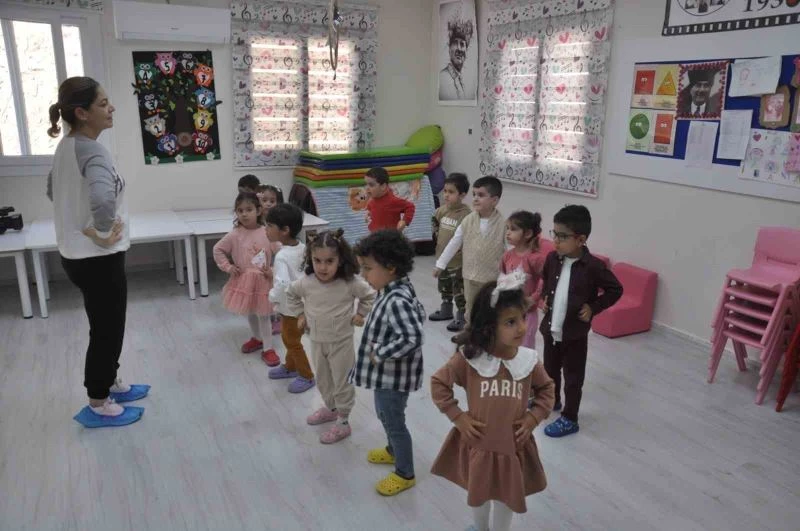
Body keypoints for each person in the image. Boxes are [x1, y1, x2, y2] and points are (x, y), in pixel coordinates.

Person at [47, 76, 148, 426]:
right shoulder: (91, 150)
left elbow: (52, 191)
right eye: (103, 104)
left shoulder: (66, 146)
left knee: (104, 324)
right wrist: (101, 233)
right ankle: (98, 401)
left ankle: (110, 380)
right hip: (97, 259)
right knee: (107, 330)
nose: (111, 108)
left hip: (76, 256)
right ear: (82, 113)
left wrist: (81, 224)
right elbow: (103, 200)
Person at [430, 276, 555, 531]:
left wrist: (533, 418)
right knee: (478, 492)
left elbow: (547, 390)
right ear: (489, 326)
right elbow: (439, 383)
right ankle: (480, 528)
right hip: (479, 444)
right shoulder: (470, 359)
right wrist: (458, 417)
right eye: (510, 322)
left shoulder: (529, 361)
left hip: (512, 446)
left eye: (522, 318)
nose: (521, 327)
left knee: (506, 497)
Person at [351, 230, 426, 497]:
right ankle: (393, 450)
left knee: (393, 420)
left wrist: (381, 353)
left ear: (391, 268)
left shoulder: (396, 299)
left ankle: (405, 473)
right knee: (385, 414)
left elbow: (413, 336)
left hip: (393, 377)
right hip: (387, 375)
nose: (363, 275)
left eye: (368, 268)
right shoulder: (392, 289)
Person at [540, 205, 623, 438]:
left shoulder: (593, 267)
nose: (556, 241)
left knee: (573, 378)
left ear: (581, 239)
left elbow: (615, 289)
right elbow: (546, 281)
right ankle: (552, 400)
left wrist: (593, 307)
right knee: (549, 371)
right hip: (551, 330)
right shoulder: (552, 259)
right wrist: (545, 299)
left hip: (574, 334)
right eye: (554, 234)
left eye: (562, 236)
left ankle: (570, 418)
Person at [286, 229, 376, 444]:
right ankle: (331, 408)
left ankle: (343, 421)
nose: (322, 267)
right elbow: (291, 294)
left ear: (340, 260)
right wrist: (300, 315)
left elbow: (369, 296)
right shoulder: (306, 282)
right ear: (310, 259)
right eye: (317, 260)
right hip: (317, 341)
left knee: (342, 381)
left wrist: (361, 314)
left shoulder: (350, 282)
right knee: (324, 379)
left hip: (341, 343)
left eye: (329, 261)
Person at [212, 192, 278, 366]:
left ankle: (268, 348)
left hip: (263, 280)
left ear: (258, 211)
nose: (244, 214)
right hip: (244, 280)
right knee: (250, 311)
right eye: (240, 210)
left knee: (264, 315)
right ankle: (257, 338)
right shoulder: (235, 234)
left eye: (249, 209)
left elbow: (281, 252)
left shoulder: (267, 232)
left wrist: (273, 270)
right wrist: (228, 267)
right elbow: (218, 249)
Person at [434, 176, 505, 323]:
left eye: (481, 195)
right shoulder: (468, 220)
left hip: (491, 279)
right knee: (470, 310)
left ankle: (487, 334)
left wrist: (509, 277)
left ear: (494, 200)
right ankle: (469, 332)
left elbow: (509, 253)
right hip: (469, 276)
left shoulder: (503, 224)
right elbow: (454, 243)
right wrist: (441, 264)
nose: (476, 199)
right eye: (474, 194)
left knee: (489, 312)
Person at [266, 203, 315, 394]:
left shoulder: (281, 256)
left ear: (284, 230)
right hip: (303, 303)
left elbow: (282, 284)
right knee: (291, 338)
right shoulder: (303, 248)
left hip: (290, 308)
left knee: (291, 341)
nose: (266, 229)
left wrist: (272, 296)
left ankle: (306, 375)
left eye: (269, 226)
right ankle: (290, 366)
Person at [430, 173, 471, 332]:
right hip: (442, 259)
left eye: (451, 192)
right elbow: (434, 221)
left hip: (458, 262)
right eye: (445, 191)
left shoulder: (466, 215)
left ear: (462, 195)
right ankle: (446, 310)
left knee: (459, 290)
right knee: (444, 286)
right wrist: (436, 234)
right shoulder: (441, 210)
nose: (446, 195)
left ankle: (461, 316)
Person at [501, 211, 545, 350]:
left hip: (527, 313)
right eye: (507, 228)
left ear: (528, 233)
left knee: (524, 348)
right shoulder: (507, 256)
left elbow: (546, 280)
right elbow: (502, 278)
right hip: (509, 310)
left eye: (513, 229)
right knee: (508, 346)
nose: (508, 233)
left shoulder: (536, 258)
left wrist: (533, 299)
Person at [256, 183, 285, 335]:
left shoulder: (280, 219)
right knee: (264, 286)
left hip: (276, 255)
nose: (268, 204)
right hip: (261, 256)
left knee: (277, 285)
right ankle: (268, 314)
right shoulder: (257, 217)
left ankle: (278, 317)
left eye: (272, 201)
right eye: (264, 200)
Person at [364, 167, 416, 232]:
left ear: (383, 186)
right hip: (374, 234)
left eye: (371, 185)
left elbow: (410, 206)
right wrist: (368, 214)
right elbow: (371, 208)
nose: (367, 188)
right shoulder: (372, 200)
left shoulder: (392, 201)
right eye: (366, 184)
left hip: (390, 236)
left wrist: (404, 221)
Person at [439, 16, 475, 101]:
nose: (459, 48)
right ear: (449, 48)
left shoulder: (464, 81)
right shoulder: (443, 77)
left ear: (466, 50)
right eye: (455, 43)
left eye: (462, 44)